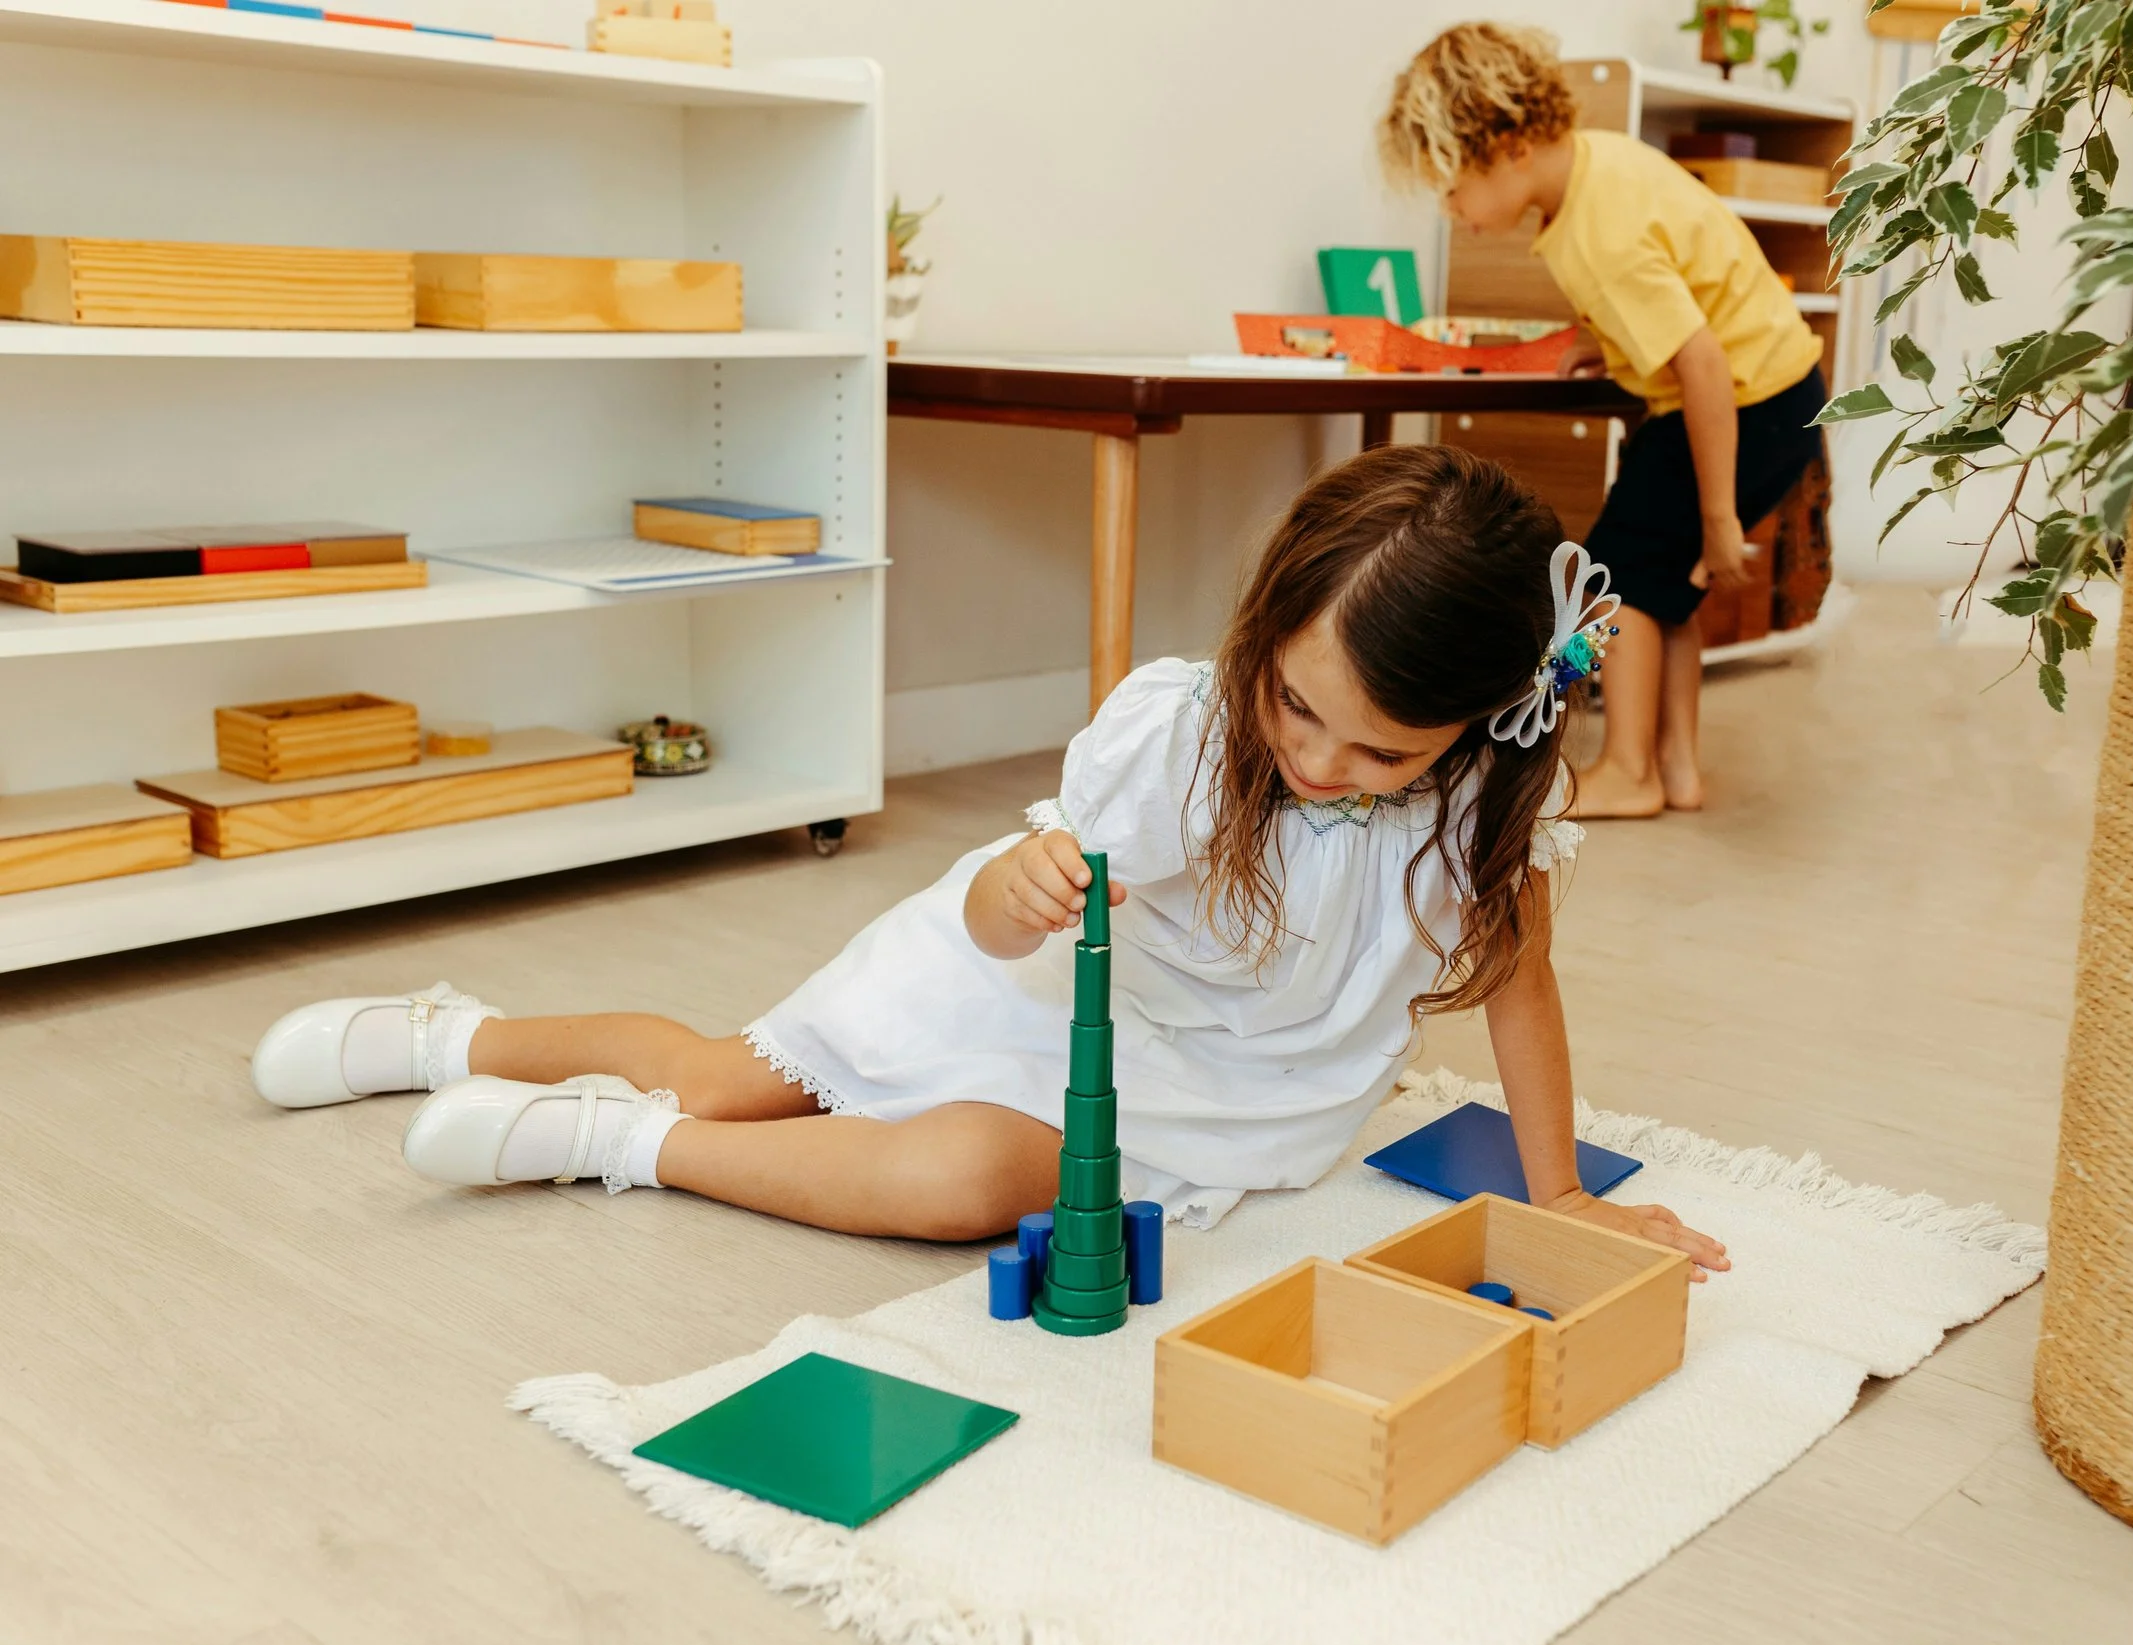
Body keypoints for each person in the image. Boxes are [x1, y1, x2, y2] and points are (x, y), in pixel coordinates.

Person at [247, 446, 1729, 1278]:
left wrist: (1563, 1189)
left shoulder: (1487, 807)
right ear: (1259, 641)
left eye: (1381, 751)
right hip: (1032, 986)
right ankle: (456, 1030)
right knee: (728, 1064)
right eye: (1295, 705)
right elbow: (1000, 920)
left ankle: (616, 1140)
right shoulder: (1185, 739)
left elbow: (1521, 983)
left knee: (968, 1175)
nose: (1319, 763)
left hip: (1210, 1092)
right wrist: (1010, 888)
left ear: (1477, 725)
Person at [1380, 23, 1830, 815]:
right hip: (1779, 392)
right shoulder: (1601, 167)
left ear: (1509, 144)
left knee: (1611, 586)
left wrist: (1720, 515)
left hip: (1736, 403)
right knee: (1662, 591)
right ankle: (1677, 770)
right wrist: (1610, 338)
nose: (1452, 211)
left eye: (1453, 187)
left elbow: (1704, 363)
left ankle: (1630, 770)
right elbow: (1679, 286)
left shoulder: (1598, 233)